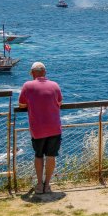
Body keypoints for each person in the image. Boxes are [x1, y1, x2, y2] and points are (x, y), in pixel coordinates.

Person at [18, 61, 63, 194]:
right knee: (51, 156)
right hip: (54, 127)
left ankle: (39, 185)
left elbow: (21, 104)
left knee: (38, 156)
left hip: (38, 129)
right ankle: (47, 185)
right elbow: (60, 102)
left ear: (32, 73)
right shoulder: (55, 85)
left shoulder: (27, 85)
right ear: (45, 72)